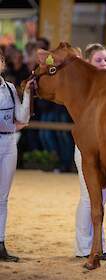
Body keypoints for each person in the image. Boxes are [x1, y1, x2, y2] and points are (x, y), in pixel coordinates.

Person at [75, 43, 106, 260]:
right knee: (89, 199)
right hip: (87, 147)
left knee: (101, 201)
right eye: (99, 60)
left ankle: (100, 246)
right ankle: (82, 247)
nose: (104, 63)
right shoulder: (83, 88)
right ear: (88, 63)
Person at [0, 49, 32, 262]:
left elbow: (21, 117)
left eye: (0, 60)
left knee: (2, 197)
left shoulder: (10, 88)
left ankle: (0, 243)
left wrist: (27, 93)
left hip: (9, 141)